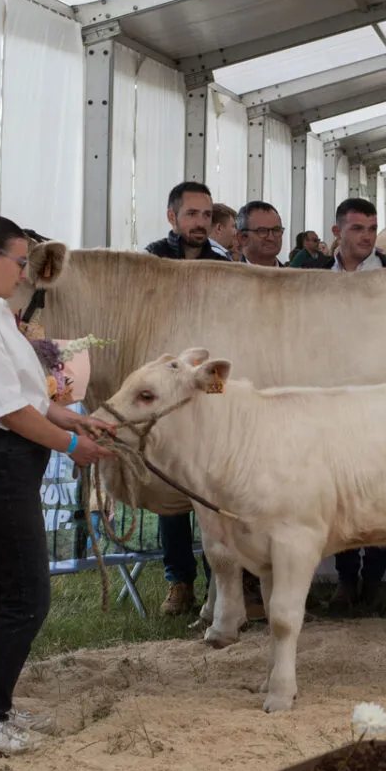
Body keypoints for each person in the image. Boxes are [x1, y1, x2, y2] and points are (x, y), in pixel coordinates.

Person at [0, 216, 114, 755]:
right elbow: (7, 410)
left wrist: (71, 419)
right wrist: (74, 448)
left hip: (5, 459)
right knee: (28, 594)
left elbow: (26, 396)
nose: (22, 271)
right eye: (17, 260)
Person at [146, 182, 228, 616]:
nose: (201, 222)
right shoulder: (151, 260)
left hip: (213, 387)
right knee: (174, 490)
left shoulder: (226, 264)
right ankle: (179, 582)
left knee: (217, 487)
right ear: (172, 216)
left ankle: (223, 585)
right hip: (167, 388)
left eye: (207, 214)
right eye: (192, 213)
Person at [323, 198, 386, 616]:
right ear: (337, 232)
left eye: (372, 228)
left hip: (383, 399)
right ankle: (345, 580)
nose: (367, 236)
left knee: (381, 494)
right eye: (357, 228)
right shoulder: (312, 278)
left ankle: (374, 582)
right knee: (339, 494)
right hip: (333, 398)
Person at [237, 201, 286, 267]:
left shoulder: (296, 277)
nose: (271, 238)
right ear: (243, 238)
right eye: (262, 231)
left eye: (276, 230)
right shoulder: (224, 275)